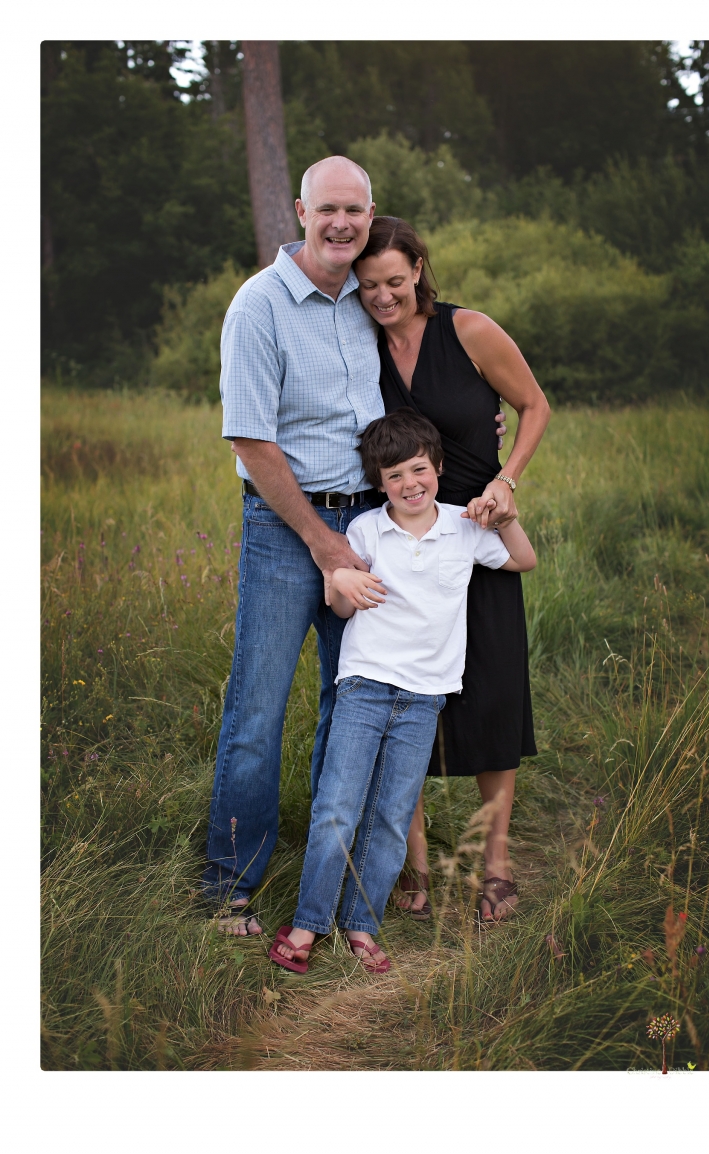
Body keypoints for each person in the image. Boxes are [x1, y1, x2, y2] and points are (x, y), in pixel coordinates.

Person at [269, 409, 537, 973]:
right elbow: (340, 604)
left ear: (438, 467)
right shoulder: (366, 529)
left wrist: (503, 512)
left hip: (425, 697)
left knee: (391, 815)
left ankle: (361, 925)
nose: (409, 484)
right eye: (394, 477)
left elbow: (523, 560)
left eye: (419, 470)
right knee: (339, 806)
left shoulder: (464, 528)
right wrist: (341, 582)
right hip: (364, 687)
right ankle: (308, 922)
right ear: (379, 484)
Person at [202, 156, 383, 934]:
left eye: (356, 210)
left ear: (371, 215)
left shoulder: (372, 302)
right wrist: (321, 544)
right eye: (327, 209)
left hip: (371, 526)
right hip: (286, 530)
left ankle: (331, 866)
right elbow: (249, 437)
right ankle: (231, 882)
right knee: (257, 708)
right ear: (300, 214)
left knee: (354, 703)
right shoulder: (259, 306)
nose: (342, 223)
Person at [354, 216, 550, 922]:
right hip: (404, 540)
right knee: (407, 698)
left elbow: (533, 406)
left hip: (478, 530)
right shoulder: (359, 345)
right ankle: (415, 867)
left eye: (396, 282)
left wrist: (508, 482)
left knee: (492, 695)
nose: (383, 297)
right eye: (369, 285)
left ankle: (495, 865)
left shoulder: (469, 331)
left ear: (419, 270)